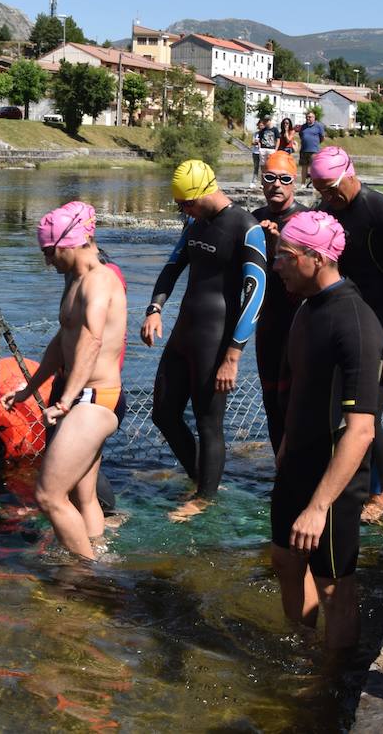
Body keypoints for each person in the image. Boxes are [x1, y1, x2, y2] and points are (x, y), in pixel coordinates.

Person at [269, 210, 383, 651]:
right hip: (297, 459)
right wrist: (285, 447)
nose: (276, 264)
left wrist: (319, 507)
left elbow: (361, 432)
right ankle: (302, 648)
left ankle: (329, 686)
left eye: (285, 256)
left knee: (335, 586)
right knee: (284, 559)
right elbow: (300, 388)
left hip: (333, 479)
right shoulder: (307, 308)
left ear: (316, 259)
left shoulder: (355, 323)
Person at [142, 159, 267, 520]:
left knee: (208, 422)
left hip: (217, 339)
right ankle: (202, 478)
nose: (184, 211)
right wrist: (154, 308)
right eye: (181, 206)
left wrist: (234, 354)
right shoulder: (195, 223)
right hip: (184, 332)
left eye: (187, 204)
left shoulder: (247, 228)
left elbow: (255, 293)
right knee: (163, 413)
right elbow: (172, 266)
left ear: (205, 192)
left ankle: (204, 498)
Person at [3, 201, 127, 560]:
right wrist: (31, 388)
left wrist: (66, 399)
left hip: (94, 398)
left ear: (69, 243)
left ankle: (85, 573)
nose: (48, 262)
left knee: (48, 495)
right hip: (83, 396)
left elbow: (91, 339)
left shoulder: (99, 281)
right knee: (80, 495)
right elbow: (63, 341)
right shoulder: (74, 279)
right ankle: (99, 555)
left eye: (50, 252)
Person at [311, 146, 383, 521]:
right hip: (341, 321)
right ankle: (334, 481)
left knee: (368, 414)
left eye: (331, 187)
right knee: (329, 407)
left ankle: (377, 495)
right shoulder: (327, 211)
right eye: (320, 190)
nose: (327, 196)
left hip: (380, 325)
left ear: (349, 173)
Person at [251, 151, 308, 453]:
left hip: (299, 322)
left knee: (296, 402)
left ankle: (303, 468)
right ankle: (281, 469)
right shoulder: (255, 219)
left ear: (294, 182)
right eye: (270, 178)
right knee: (271, 401)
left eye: (284, 179)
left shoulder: (305, 221)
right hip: (268, 324)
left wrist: (277, 249)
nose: (277, 185)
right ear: (261, 181)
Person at [298, 110, 325, 186]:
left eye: (309, 117)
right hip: (304, 150)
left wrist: (315, 143)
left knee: (314, 168)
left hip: (314, 150)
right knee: (304, 167)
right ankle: (303, 183)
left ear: (314, 118)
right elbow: (301, 135)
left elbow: (322, 137)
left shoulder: (319, 126)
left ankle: (314, 184)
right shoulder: (303, 126)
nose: (308, 118)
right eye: (307, 117)